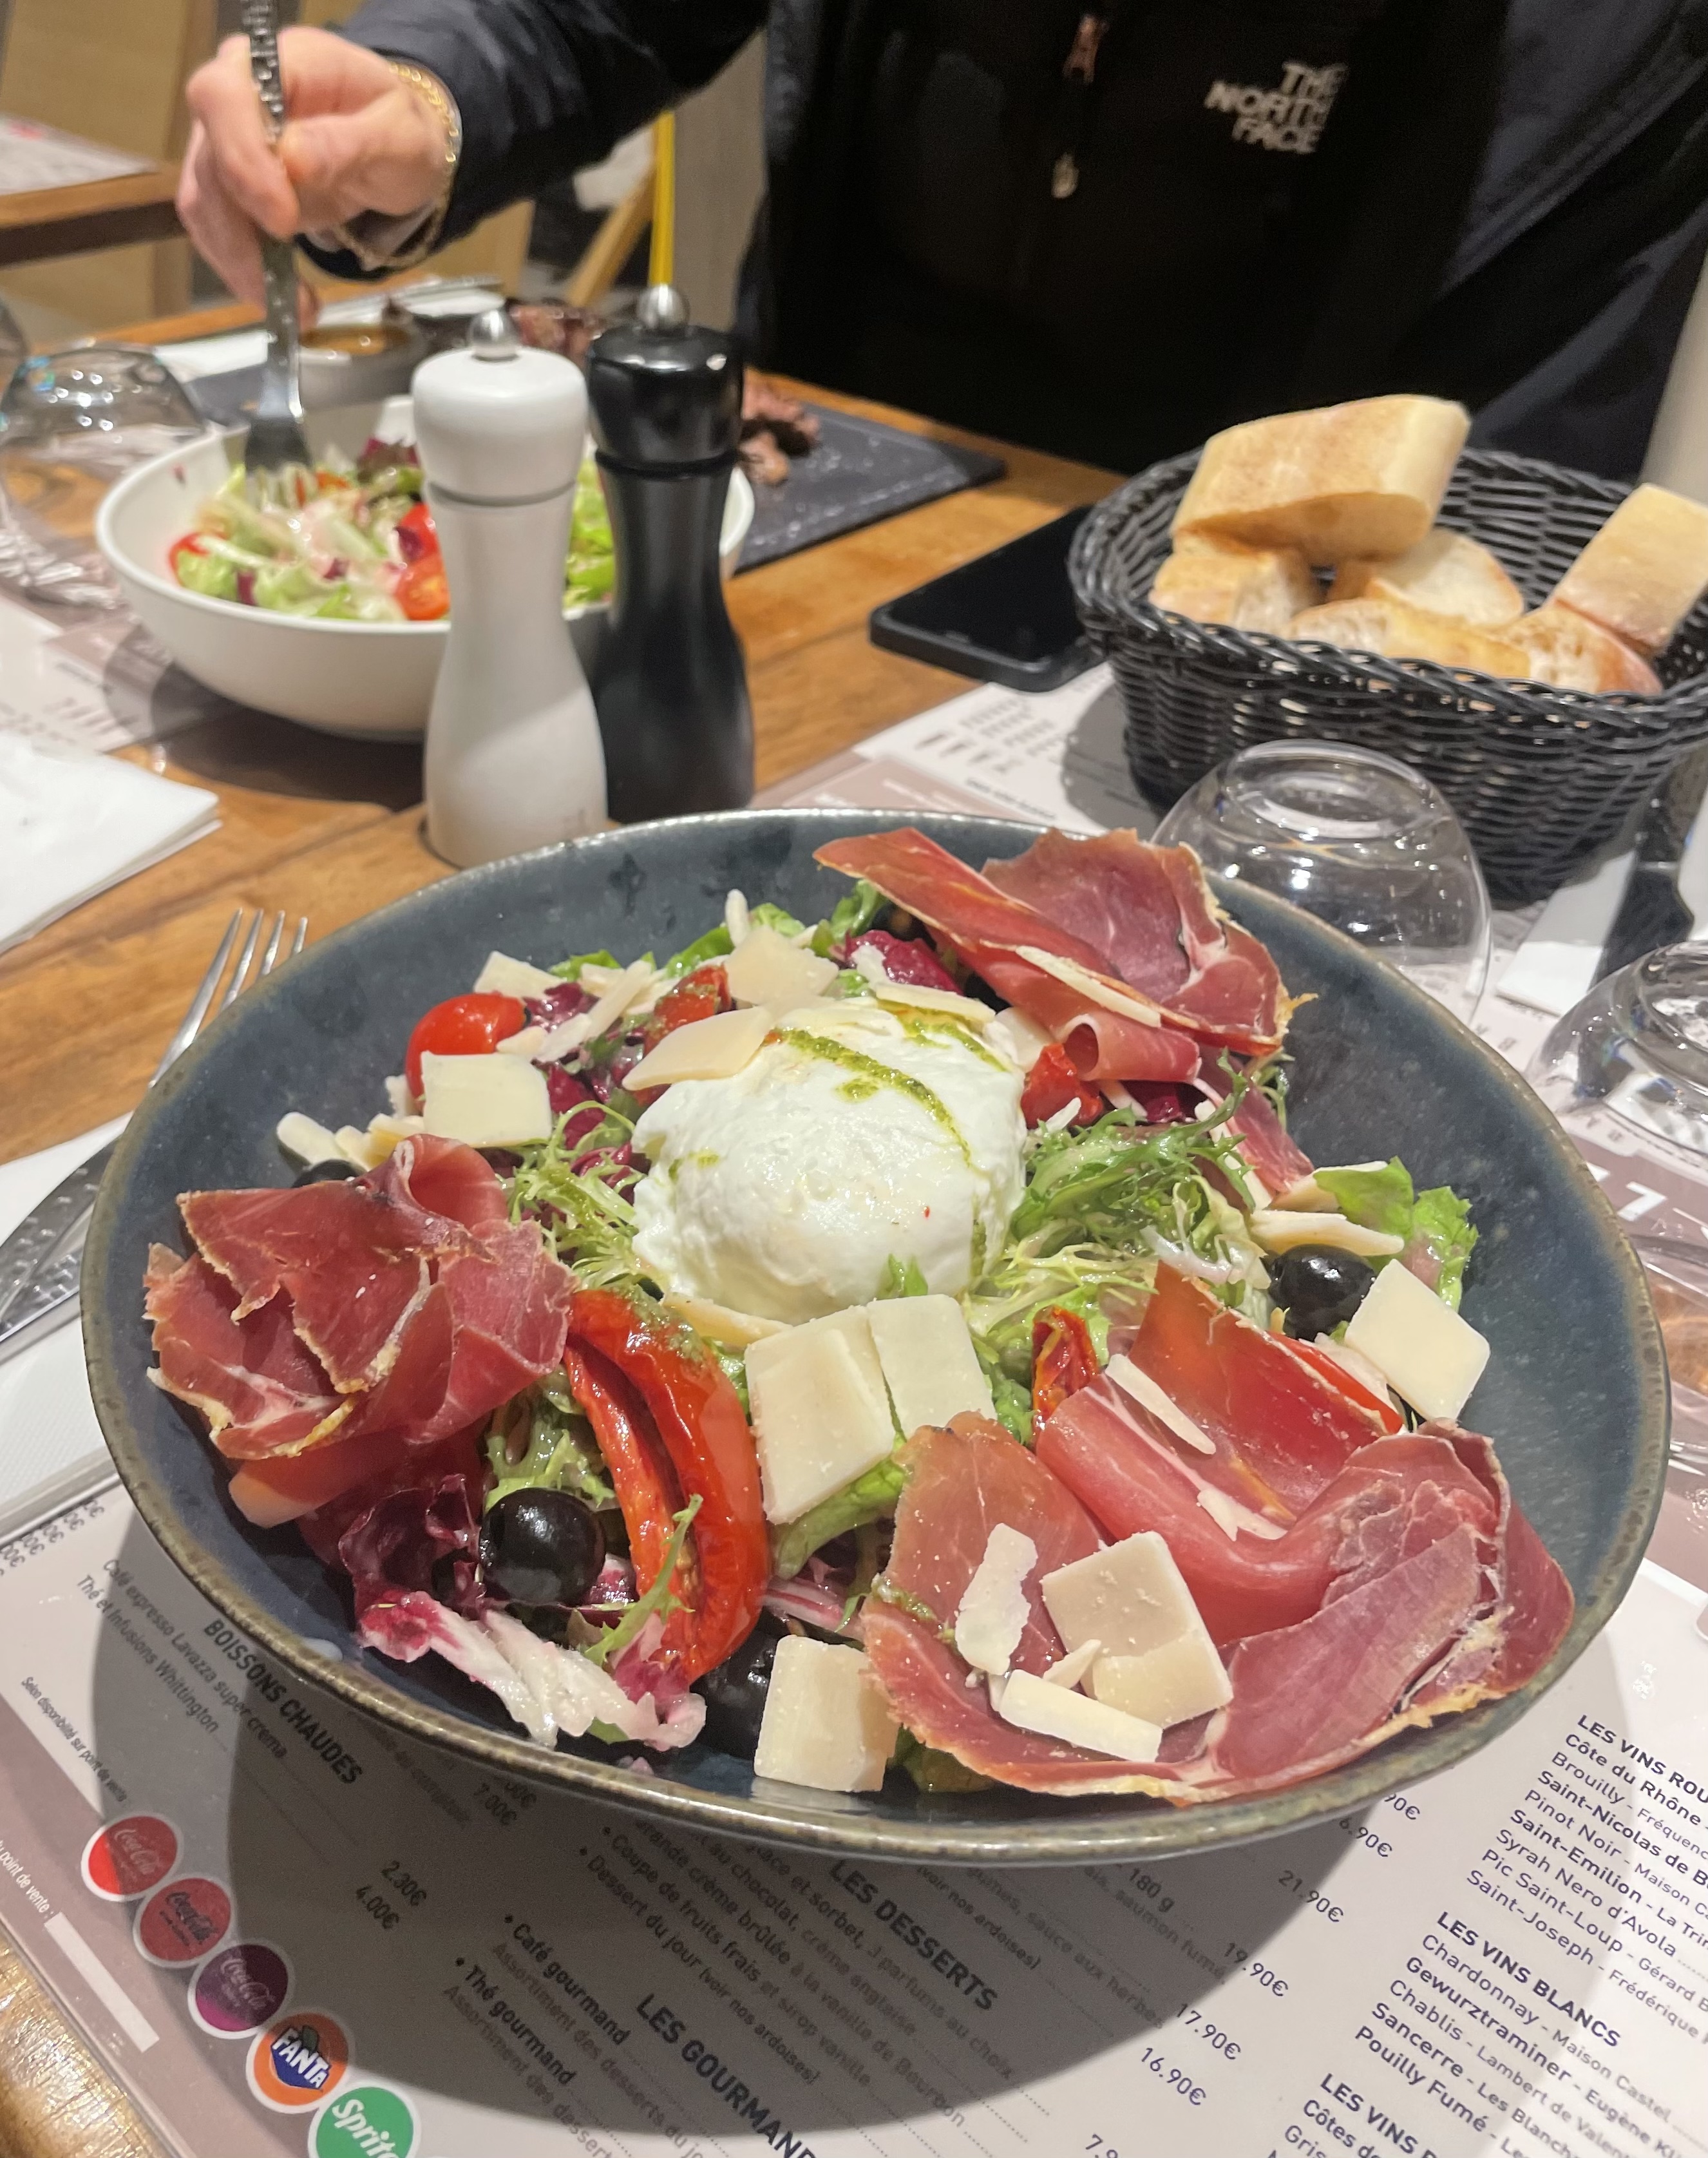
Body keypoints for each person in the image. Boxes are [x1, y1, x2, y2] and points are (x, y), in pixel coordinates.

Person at [180, 0, 1708, 479]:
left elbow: (1508, 571)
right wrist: (418, 102)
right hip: (814, 520)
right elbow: (584, 18)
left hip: (1247, 705)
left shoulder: (1613, 53)